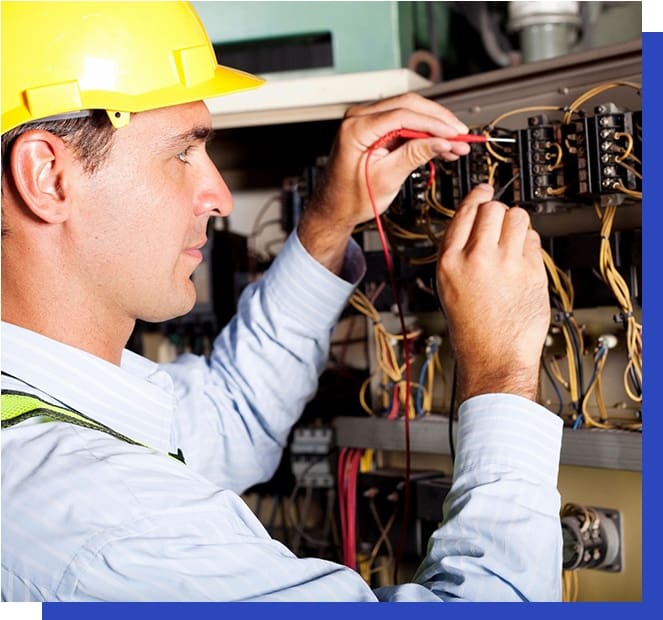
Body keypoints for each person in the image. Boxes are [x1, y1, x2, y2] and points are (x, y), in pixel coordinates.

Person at [1, 1, 562, 602]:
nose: (217, 195)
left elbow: (228, 418)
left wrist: (328, 221)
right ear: (47, 177)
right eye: (182, 152)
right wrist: (500, 370)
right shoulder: (110, 529)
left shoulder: (38, 418)